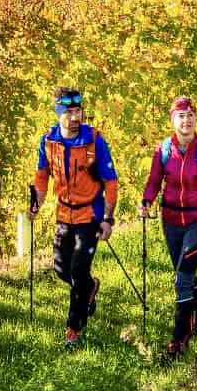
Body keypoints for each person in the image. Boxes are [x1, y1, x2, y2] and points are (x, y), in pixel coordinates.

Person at [139, 96, 197, 359]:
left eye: (191, 115)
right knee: (185, 273)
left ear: (195, 119)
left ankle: (180, 336)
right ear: (172, 120)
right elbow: (154, 182)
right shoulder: (163, 150)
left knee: (182, 278)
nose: (186, 120)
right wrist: (146, 202)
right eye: (181, 115)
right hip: (170, 222)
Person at [30, 87, 119, 349]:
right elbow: (41, 176)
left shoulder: (94, 141)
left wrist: (107, 219)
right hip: (63, 212)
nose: (74, 117)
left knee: (78, 271)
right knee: (61, 270)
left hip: (90, 212)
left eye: (77, 111)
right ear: (58, 113)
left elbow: (111, 181)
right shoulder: (48, 141)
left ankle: (74, 329)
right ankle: (90, 288)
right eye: (68, 112)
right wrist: (36, 204)